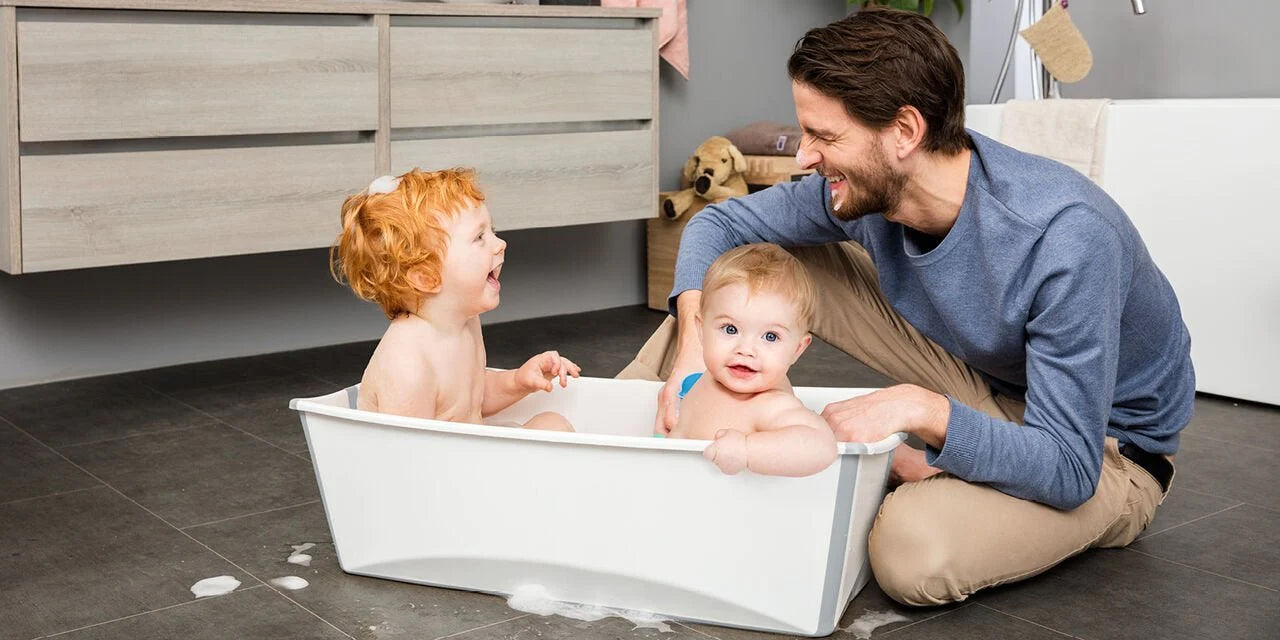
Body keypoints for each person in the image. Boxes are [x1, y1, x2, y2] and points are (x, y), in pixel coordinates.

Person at [619, 8, 1190, 605]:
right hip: (987, 385)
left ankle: (932, 470)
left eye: (826, 136)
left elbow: (1069, 468)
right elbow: (718, 223)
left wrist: (922, 410)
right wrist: (689, 352)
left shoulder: (1066, 238)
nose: (805, 158)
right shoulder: (862, 191)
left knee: (909, 551)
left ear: (905, 131)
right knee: (755, 259)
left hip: (1100, 454)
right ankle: (628, 442)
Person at [332, 168, 579, 431]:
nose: (500, 243)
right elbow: (406, 457)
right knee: (552, 429)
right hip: (432, 466)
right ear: (426, 277)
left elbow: (471, 399)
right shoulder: (408, 364)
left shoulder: (465, 322)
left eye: (492, 230)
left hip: (462, 458)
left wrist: (518, 381)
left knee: (552, 423)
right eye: (479, 237)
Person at [670, 243, 837, 477]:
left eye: (770, 336)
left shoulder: (771, 405)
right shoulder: (708, 378)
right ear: (700, 329)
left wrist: (747, 450)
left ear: (797, 349)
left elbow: (822, 447)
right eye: (730, 329)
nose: (746, 350)